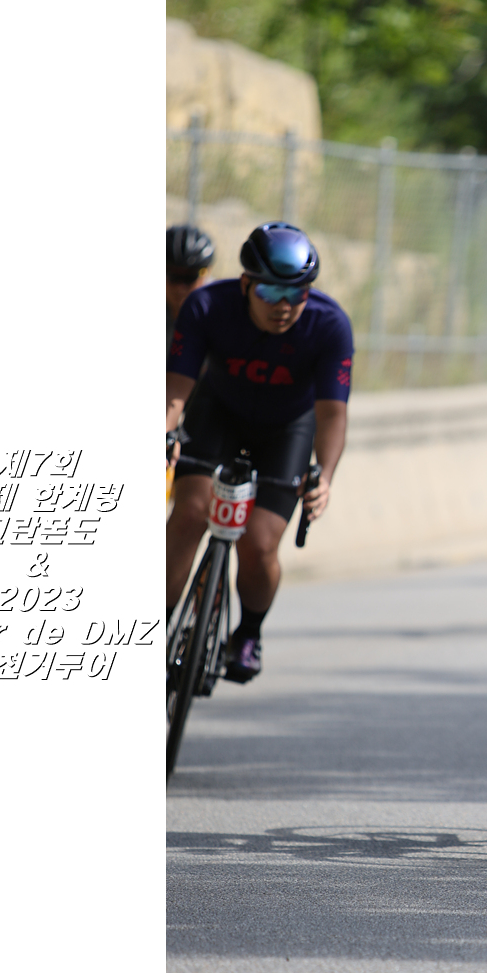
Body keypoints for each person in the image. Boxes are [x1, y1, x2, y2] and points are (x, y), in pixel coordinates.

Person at [165, 222, 353, 683]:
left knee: (259, 542)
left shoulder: (329, 324)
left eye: (297, 293)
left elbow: (332, 413)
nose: (284, 306)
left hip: (287, 429)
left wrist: (325, 476)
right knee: (191, 513)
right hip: (218, 414)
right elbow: (175, 390)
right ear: (246, 283)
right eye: (270, 292)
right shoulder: (208, 306)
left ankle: (248, 632)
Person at [166, 224, 216, 355]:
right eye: (173, 276)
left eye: (189, 277)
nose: (180, 287)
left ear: (206, 274)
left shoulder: (220, 312)